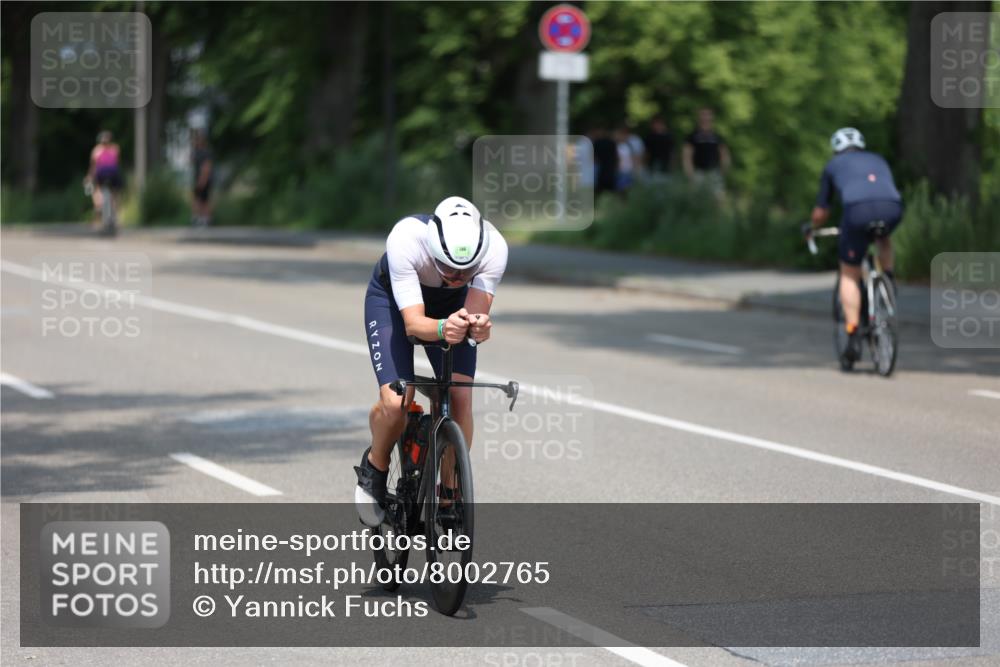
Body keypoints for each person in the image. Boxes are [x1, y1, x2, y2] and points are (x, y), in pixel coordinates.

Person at [355, 196, 508, 526]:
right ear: (432, 249)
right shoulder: (406, 239)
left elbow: (475, 315)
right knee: (396, 403)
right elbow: (414, 325)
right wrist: (444, 327)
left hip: (451, 308)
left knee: (460, 398)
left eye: (466, 270)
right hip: (396, 306)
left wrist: (477, 327)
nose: (457, 276)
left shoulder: (495, 246)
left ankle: (449, 490)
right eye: (449, 268)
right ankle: (376, 465)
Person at [805, 127, 903, 365]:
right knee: (882, 237)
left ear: (836, 148)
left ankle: (851, 333)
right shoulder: (877, 159)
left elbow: (821, 211)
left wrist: (811, 227)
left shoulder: (833, 165)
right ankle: (888, 279)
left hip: (857, 211)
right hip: (892, 207)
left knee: (849, 273)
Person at [683, 107, 731, 200]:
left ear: (712, 117)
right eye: (703, 115)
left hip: (714, 173)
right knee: (695, 200)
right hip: (698, 173)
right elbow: (687, 156)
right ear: (699, 117)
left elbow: (724, 154)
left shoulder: (717, 136)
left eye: (708, 115)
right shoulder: (692, 136)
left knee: (718, 200)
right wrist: (690, 173)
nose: (705, 117)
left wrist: (722, 171)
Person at [85, 130, 123, 230]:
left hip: (101, 174)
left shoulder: (96, 150)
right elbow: (117, 163)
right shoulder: (115, 148)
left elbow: (93, 166)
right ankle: (115, 216)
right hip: (113, 174)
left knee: (97, 191)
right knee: (115, 194)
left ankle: (100, 208)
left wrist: (89, 176)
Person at [190, 129, 214, 227]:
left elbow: (207, 167)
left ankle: (206, 220)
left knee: (204, 200)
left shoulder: (206, 152)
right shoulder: (196, 152)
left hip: (204, 180)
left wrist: (202, 180)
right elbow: (191, 162)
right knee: (197, 199)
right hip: (197, 179)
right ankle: (198, 218)